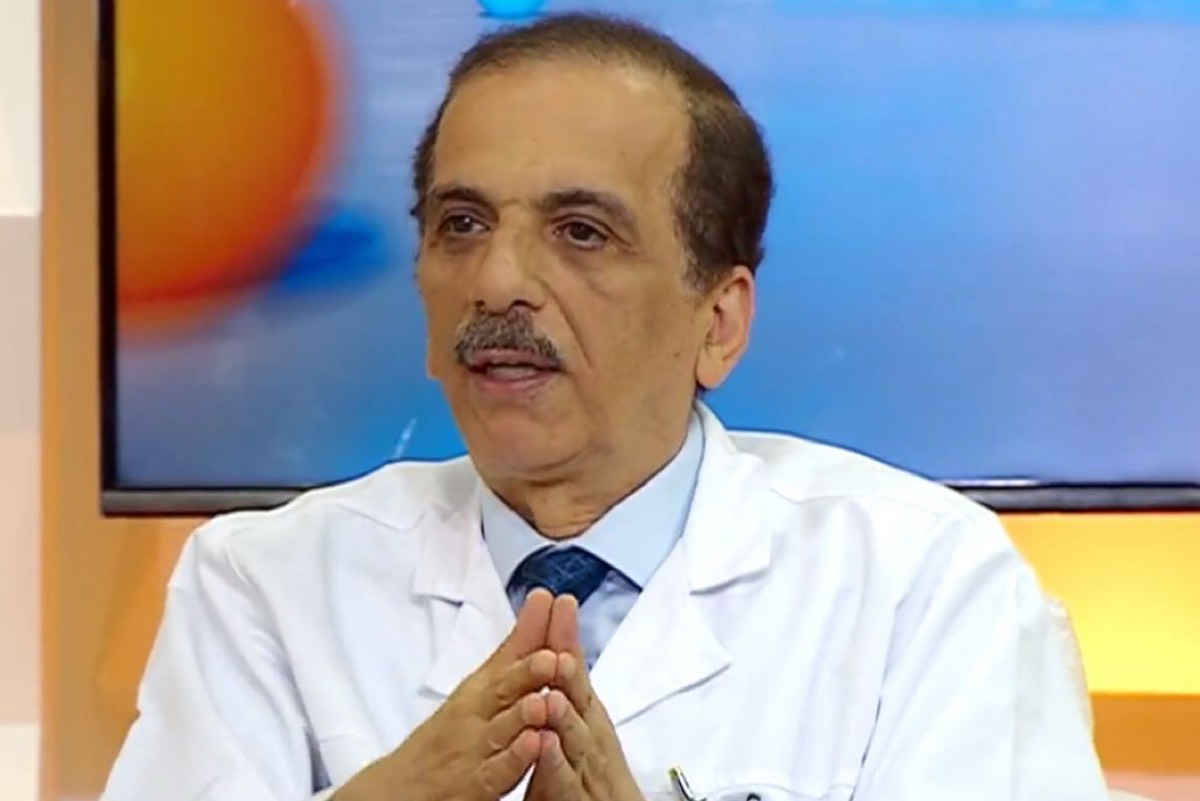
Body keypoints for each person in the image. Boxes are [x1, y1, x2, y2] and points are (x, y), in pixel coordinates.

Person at [102, 12, 1110, 801]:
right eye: (462, 223)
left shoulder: (924, 586)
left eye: (581, 232)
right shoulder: (263, 583)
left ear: (719, 321)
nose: (497, 281)